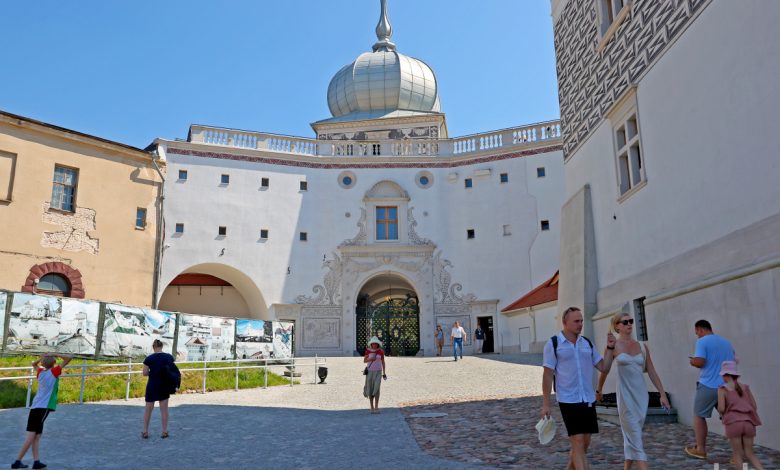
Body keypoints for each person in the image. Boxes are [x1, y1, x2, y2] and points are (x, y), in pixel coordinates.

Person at [541, 307, 615, 470]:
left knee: (583, 444)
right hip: (568, 400)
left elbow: (604, 367)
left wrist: (610, 348)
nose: (580, 324)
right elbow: (547, 375)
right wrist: (546, 403)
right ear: (565, 322)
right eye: (576, 321)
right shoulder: (554, 344)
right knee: (578, 441)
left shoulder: (587, 343)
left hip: (587, 399)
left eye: (581, 321)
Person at [596, 313, 670, 470]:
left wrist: (662, 394)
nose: (629, 324)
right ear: (617, 326)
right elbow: (604, 370)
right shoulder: (613, 346)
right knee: (636, 438)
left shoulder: (642, 346)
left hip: (641, 397)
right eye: (625, 322)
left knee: (631, 437)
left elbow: (652, 371)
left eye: (631, 321)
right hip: (625, 397)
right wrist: (599, 389)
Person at [12, 353, 72, 469]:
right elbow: (69, 358)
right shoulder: (54, 372)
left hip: (35, 406)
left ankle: (36, 462)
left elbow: (33, 364)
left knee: (37, 436)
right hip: (43, 407)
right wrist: (54, 354)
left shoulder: (40, 372)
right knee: (31, 436)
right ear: (54, 362)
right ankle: (17, 461)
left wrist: (42, 358)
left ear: (43, 363)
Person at [685, 319, 735, 459]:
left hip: (708, 384)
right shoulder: (726, 342)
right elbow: (733, 362)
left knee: (699, 415)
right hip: (726, 385)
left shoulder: (702, 341)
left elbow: (700, 362)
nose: (697, 336)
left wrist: (693, 361)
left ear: (700, 329)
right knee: (730, 418)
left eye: (697, 333)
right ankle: (738, 453)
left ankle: (700, 449)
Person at [717, 361, 763, 470]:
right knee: (750, 454)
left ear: (726, 375)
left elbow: (722, 408)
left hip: (733, 423)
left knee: (737, 454)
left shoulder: (722, 389)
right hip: (748, 423)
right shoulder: (745, 387)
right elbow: (754, 406)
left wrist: (721, 412)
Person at [142, 339, 175, 439]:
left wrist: (153, 372)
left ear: (153, 347)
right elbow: (172, 370)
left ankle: (145, 431)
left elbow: (145, 373)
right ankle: (164, 431)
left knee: (148, 409)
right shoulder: (168, 357)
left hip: (152, 385)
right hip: (164, 385)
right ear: (162, 347)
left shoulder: (149, 359)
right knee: (164, 409)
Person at [363, 336, 387, 414]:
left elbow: (383, 362)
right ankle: (372, 407)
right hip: (370, 372)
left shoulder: (381, 351)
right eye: (373, 343)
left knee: (377, 388)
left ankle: (376, 406)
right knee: (370, 388)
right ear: (371, 344)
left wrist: (384, 372)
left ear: (378, 344)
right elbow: (364, 361)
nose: (374, 345)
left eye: (376, 343)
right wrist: (370, 359)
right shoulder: (367, 351)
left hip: (378, 372)